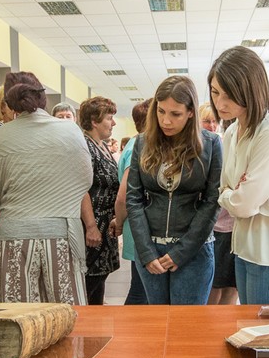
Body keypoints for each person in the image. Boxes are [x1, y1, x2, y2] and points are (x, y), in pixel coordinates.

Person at [208, 46, 269, 305]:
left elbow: (244, 204)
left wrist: (230, 195)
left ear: (251, 89)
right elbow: (227, 189)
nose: (220, 103)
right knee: (249, 326)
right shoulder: (232, 132)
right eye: (215, 92)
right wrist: (233, 193)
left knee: (267, 329)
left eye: (229, 95)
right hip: (243, 247)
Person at [0, 82, 93, 304]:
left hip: (14, 231)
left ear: (10, 105)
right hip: (61, 231)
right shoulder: (70, 130)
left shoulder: (2, 134)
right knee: (67, 309)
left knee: (19, 312)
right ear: (44, 100)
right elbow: (85, 179)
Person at [125, 76, 222, 305]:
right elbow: (134, 198)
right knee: (158, 320)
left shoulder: (210, 144)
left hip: (194, 250)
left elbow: (212, 201)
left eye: (175, 114)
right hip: (151, 249)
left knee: (187, 322)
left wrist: (181, 252)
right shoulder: (142, 143)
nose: (166, 121)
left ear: (191, 113)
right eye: (161, 111)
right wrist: (146, 251)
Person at [78, 96, 120, 305]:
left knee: (99, 279)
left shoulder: (101, 145)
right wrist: (91, 227)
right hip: (93, 224)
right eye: (109, 118)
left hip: (105, 224)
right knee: (89, 282)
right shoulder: (86, 147)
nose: (114, 123)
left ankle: (96, 319)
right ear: (94, 121)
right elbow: (82, 189)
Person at [110, 98, 151, 305]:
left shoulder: (134, 143)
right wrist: (118, 222)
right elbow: (124, 196)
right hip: (138, 226)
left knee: (141, 289)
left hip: (136, 226)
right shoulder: (140, 145)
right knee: (140, 292)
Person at [199, 104, 237, 305]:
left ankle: (226, 321)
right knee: (213, 284)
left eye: (215, 121)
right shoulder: (197, 150)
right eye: (207, 121)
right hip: (214, 226)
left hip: (233, 223)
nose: (212, 126)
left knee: (232, 284)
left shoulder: (225, 143)